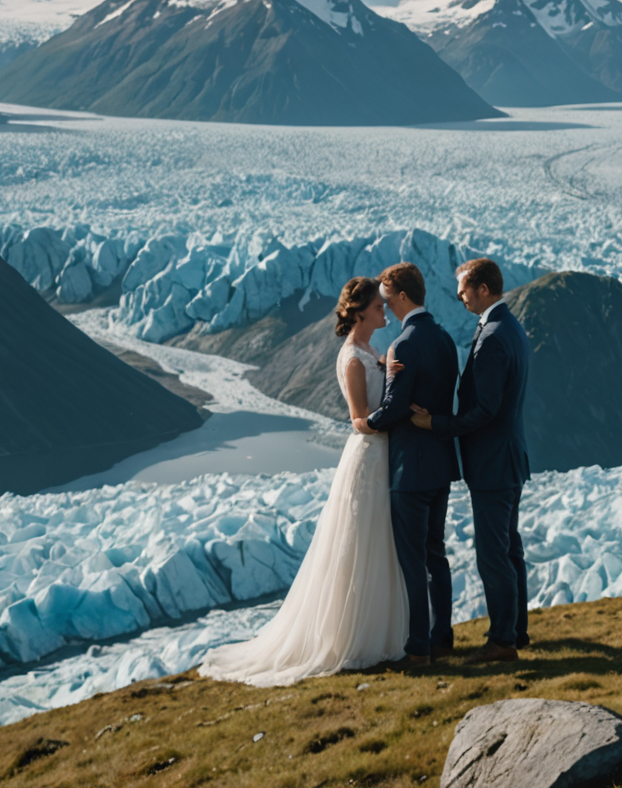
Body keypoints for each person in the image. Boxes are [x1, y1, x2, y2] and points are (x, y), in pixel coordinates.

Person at [197, 277, 408, 685]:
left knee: (378, 543)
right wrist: (400, 412)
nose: (385, 311)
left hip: (381, 456)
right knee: (363, 543)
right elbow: (360, 420)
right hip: (369, 455)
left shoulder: (368, 352)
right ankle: (355, 637)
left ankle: (378, 634)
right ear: (360, 312)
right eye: (379, 307)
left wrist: (388, 370)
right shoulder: (352, 358)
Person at [409, 257, 531, 662]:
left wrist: (437, 424)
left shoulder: (494, 335)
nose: (458, 296)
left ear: (482, 289)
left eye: (463, 289)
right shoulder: (509, 327)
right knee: (510, 549)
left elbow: (486, 410)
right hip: (508, 457)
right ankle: (517, 632)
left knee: (493, 554)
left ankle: (502, 642)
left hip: (493, 463)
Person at [360, 261, 461, 664]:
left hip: (410, 469)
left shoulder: (403, 344)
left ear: (402, 296)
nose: (383, 302)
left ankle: (418, 646)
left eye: (386, 296)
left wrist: (367, 422)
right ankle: (443, 637)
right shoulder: (444, 339)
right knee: (436, 555)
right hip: (440, 462)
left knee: (412, 561)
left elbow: (395, 405)